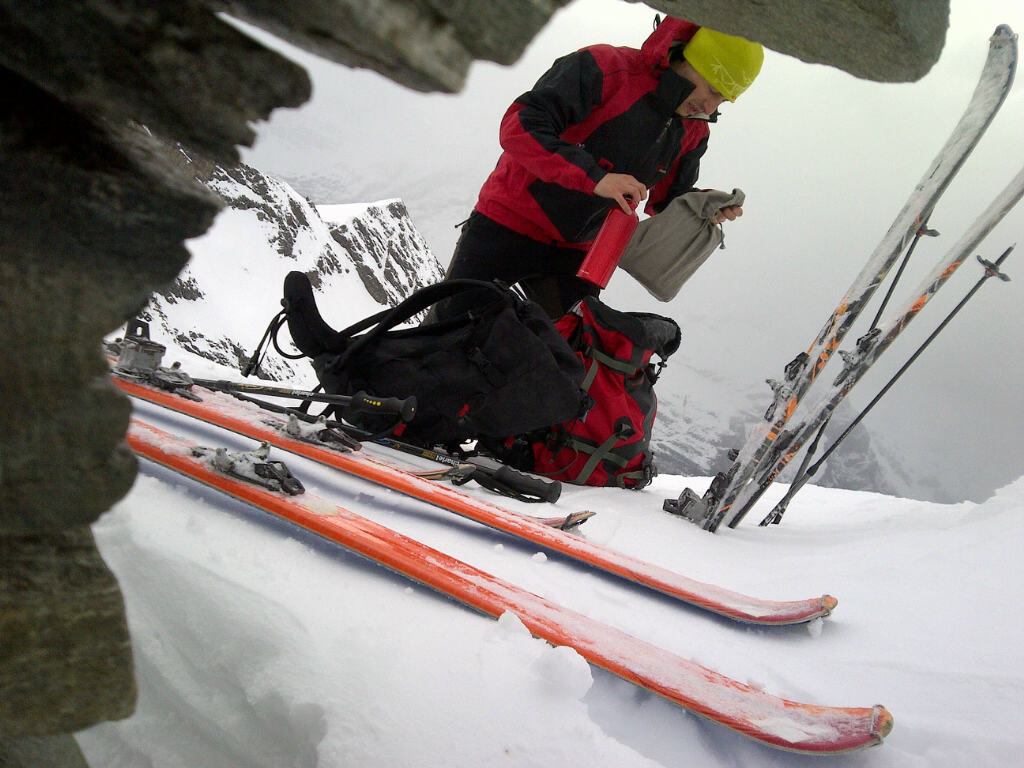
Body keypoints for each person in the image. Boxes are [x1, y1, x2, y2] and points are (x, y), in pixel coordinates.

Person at [434, 16, 763, 320]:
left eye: (723, 101)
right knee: (446, 335)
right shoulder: (607, 69)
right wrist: (596, 179)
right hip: (508, 221)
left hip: (580, 254)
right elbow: (520, 126)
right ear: (693, 61)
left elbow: (666, 202)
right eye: (713, 91)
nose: (710, 107)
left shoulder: (693, 130)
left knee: (564, 361)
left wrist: (703, 205)